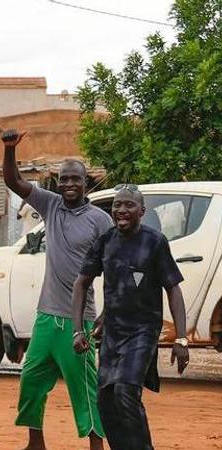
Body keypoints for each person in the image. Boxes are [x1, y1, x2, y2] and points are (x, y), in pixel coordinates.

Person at [2, 129, 111, 450]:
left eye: (74, 179)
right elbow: (13, 181)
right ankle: (35, 444)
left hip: (78, 323)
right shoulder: (51, 206)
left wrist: (106, 314)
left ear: (85, 181)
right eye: (63, 180)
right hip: (46, 318)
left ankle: (96, 447)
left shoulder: (99, 221)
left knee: (84, 392)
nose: (68, 185)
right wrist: (9, 149)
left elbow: (116, 270)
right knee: (31, 382)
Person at [72, 185, 189, 450]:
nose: (121, 210)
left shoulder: (155, 242)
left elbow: (173, 288)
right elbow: (81, 283)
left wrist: (181, 338)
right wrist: (78, 330)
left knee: (126, 392)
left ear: (142, 212)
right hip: (112, 333)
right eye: (117, 205)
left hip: (142, 332)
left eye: (129, 205)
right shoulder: (105, 241)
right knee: (106, 400)